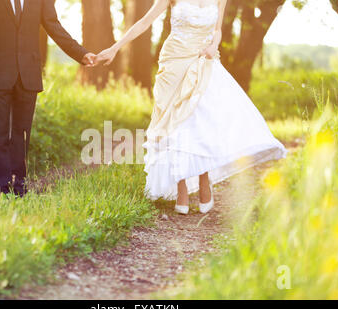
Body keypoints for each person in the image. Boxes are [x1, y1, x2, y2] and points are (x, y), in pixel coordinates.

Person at [96, 0, 287, 214]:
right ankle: (181, 185)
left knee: (202, 120)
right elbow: (144, 21)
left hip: (204, 60)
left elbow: (217, 31)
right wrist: (114, 48)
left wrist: (213, 46)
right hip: (174, 63)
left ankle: (204, 177)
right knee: (176, 123)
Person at [0, 0, 96, 196]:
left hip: (27, 74)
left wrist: (81, 53)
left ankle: (18, 185)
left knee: (21, 134)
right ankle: (0, 188)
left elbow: (54, 26)